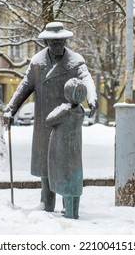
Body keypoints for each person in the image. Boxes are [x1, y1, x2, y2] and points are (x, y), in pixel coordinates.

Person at [4, 22, 97, 212]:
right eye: (53, 42)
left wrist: (92, 97)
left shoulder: (75, 61)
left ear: (65, 40)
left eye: (60, 41)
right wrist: (10, 109)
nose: (57, 45)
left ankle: (68, 205)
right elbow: (24, 87)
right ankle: (46, 205)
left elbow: (86, 78)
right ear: (46, 41)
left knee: (66, 164)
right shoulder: (37, 63)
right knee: (45, 166)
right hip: (44, 122)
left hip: (65, 123)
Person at [46, 78, 87, 219]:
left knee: (66, 180)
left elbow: (49, 121)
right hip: (75, 151)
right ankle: (74, 212)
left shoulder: (65, 111)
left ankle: (70, 213)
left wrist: (62, 110)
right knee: (75, 181)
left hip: (62, 150)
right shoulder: (81, 110)